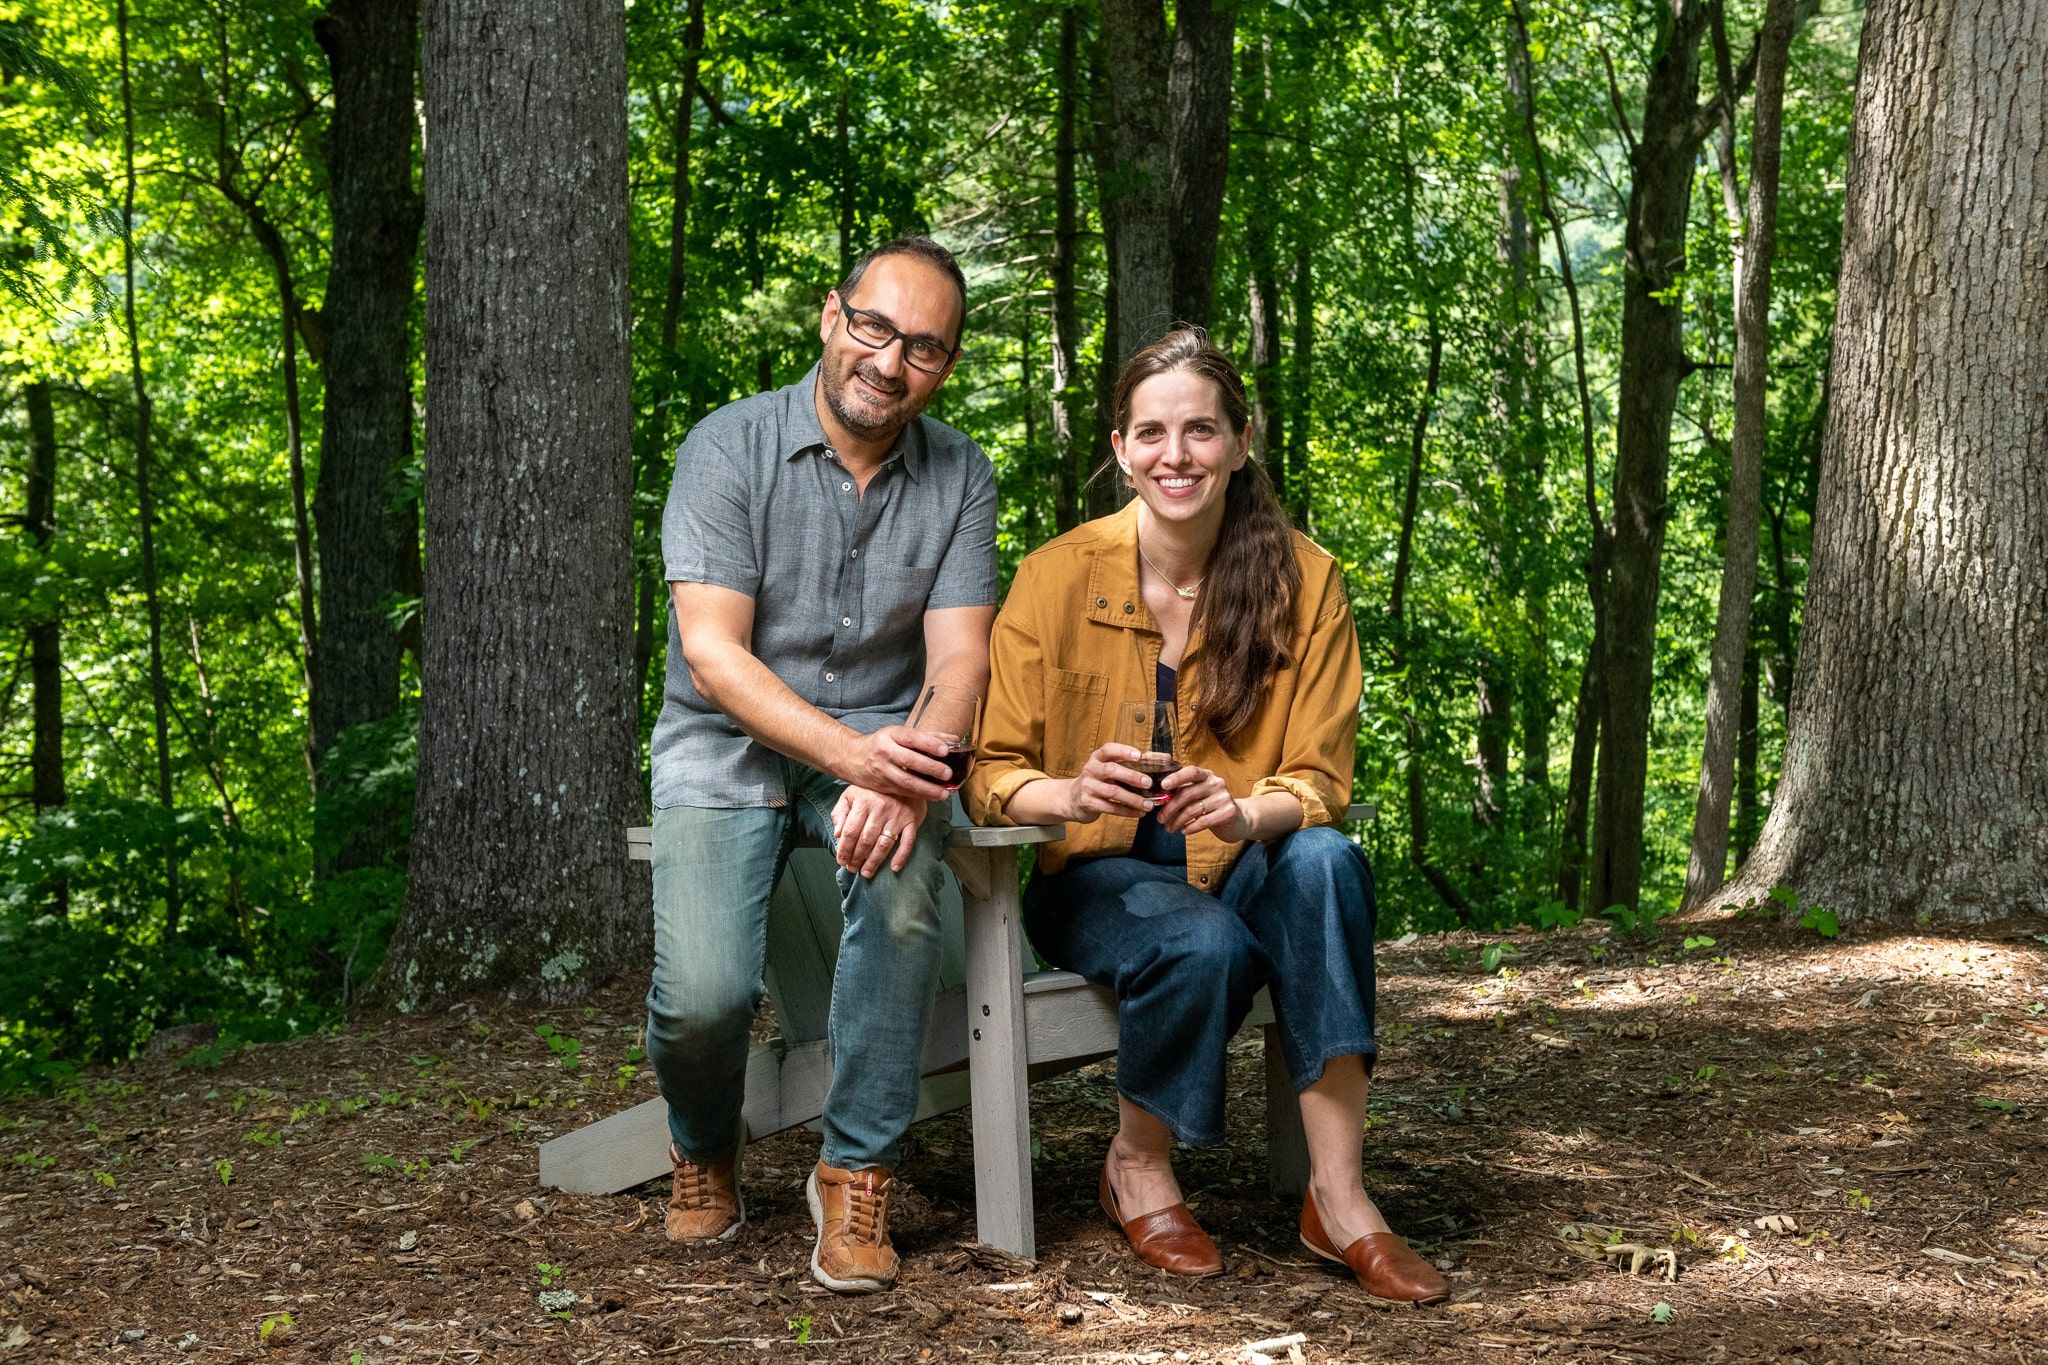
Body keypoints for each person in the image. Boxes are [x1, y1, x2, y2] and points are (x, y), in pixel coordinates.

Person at [964, 328, 1447, 1305]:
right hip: (1094, 879)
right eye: (1150, 433)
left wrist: (1240, 811)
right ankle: (1135, 1164)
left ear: (1240, 438)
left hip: (1240, 859)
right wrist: (1066, 793)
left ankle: (1339, 1198)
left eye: (1198, 430)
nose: (1173, 455)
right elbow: (990, 774)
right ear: (1116, 445)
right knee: (1202, 943)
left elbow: (1318, 782)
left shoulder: (1304, 580)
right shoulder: (1054, 577)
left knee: (1328, 865)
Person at [650, 236, 996, 1294]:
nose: (889, 362)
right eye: (873, 327)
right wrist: (862, 758)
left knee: (899, 904)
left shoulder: (962, 475)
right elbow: (712, 658)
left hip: (889, 749)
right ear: (829, 316)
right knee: (704, 996)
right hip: (729, 746)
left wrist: (903, 772)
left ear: (945, 366)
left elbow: (960, 657)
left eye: (924, 349)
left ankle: (854, 1173)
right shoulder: (726, 447)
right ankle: (702, 1147)